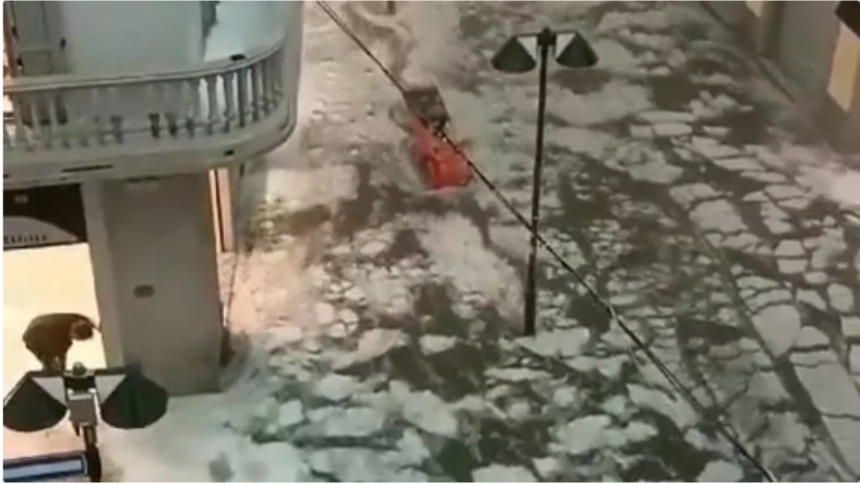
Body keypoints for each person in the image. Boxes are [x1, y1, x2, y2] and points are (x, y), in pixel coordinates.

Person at [22, 313, 98, 373]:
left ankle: (51, 369)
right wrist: (60, 367)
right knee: (52, 363)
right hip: (34, 337)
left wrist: (97, 327)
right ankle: (49, 370)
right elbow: (60, 353)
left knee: (56, 361)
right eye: (75, 337)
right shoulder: (53, 338)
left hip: (38, 323)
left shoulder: (72, 320)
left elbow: (82, 317)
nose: (73, 339)